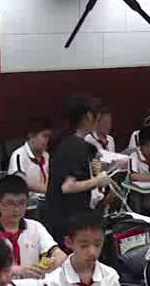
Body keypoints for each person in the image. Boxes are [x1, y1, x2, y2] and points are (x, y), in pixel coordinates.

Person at [44, 96, 112, 243]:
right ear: (89, 116)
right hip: (68, 221)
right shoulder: (76, 146)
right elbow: (67, 187)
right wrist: (98, 180)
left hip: (56, 216)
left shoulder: (66, 141)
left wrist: (91, 170)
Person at [0, 175, 66, 277]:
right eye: (10, 203)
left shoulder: (35, 227)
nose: (17, 209)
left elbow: (58, 253)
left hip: (34, 284)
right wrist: (17, 270)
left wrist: (56, 259)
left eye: (22, 203)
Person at [8, 117, 52, 194]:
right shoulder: (18, 155)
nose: (47, 140)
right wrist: (51, 191)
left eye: (49, 137)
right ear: (31, 136)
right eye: (44, 136)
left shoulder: (46, 155)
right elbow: (21, 180)